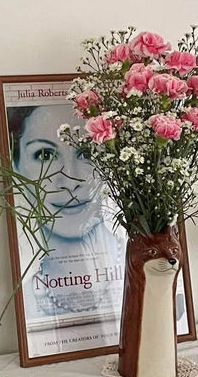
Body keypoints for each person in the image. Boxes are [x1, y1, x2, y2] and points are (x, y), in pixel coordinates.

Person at [7, 104, 126, 323]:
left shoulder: (151, 270)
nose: (70, 180)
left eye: (87, 153)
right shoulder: (20, 303)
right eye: (45, 155)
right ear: (16, 168)